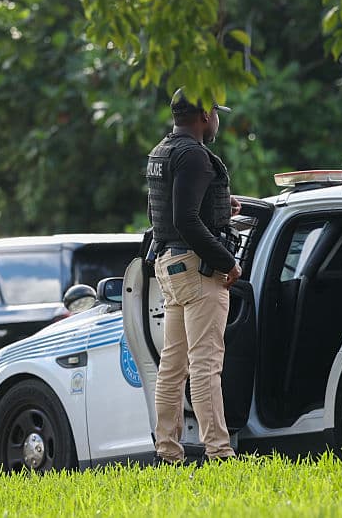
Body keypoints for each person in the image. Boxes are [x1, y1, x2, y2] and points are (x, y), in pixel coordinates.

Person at [146, 88, 242, 464]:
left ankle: (167, 451)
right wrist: (226, 262)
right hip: (196, 270)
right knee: (205, 365)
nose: (217, 119)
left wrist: (220, 208)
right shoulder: (195, 156)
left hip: (170, 267)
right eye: (215, 112)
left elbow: (168, 211)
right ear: (204, 116)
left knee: (173, 365)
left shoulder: (162, 151)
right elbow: (186, 220)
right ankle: (219, 452)